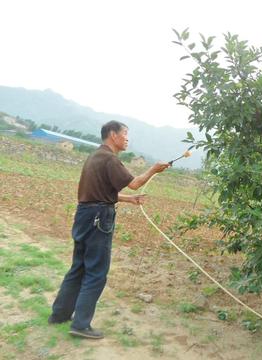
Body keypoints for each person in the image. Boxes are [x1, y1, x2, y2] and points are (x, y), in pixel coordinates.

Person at [48, 120, 170, 339]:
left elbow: (100, 192)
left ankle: (59, 315)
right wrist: (154, 169)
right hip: (98, 219)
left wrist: (129, 200)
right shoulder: (110, 159)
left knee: (78, 268)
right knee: (96, 272)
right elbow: (134, 183)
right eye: (125, 134)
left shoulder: (95, 157)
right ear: (113, 135)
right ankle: (80, 325)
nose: (127, 139)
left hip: (84, 216)